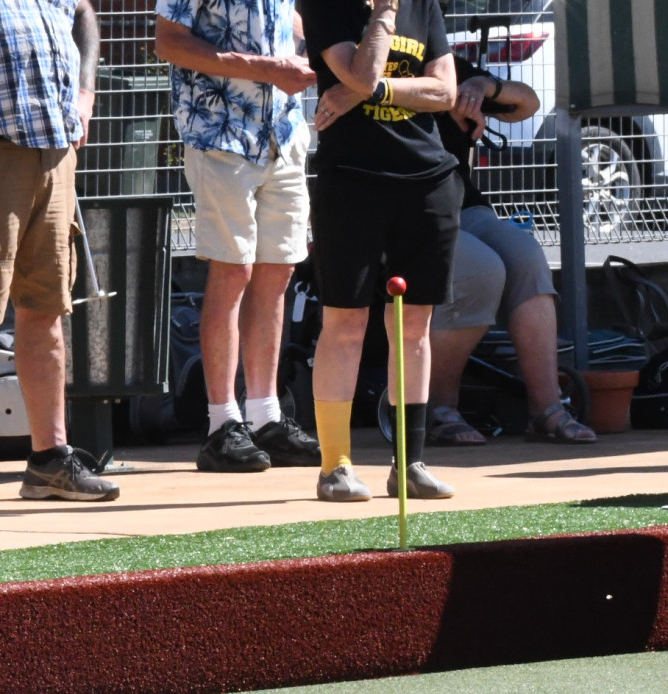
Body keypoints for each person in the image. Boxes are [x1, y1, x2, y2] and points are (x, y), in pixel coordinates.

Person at [0, 0, 122, 505]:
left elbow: (84, 13)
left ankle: (50, 461)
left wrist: (85, 91)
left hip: (54, 154)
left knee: (46, 308)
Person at [156, 0, 327, 473]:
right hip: (220, 135)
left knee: (278, 272)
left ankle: (266, 416)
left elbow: (282, 22)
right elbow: (168, 40)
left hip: (285, 134)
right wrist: (268, 67)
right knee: (233, 272)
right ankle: (220, 424)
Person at [300, 0, 460, 502]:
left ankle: (409, 463)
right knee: (345, 323)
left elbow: (445, 91)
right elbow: (361, 71)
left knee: (414, 325)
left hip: (428, 179)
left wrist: (376, 92)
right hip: (352, 181)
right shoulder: (330, 7)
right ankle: (336, 467)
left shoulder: (424, 5)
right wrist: (385, 14)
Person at [422, 55, 595, 445]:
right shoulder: (379, 60)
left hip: (463, 204)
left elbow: (528, 103)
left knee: (526, 256)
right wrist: (443, 100)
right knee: (482, 269)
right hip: (406, 208)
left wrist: (484, 88)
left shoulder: (443, 61)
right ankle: (439, 408)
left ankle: (547, 409)